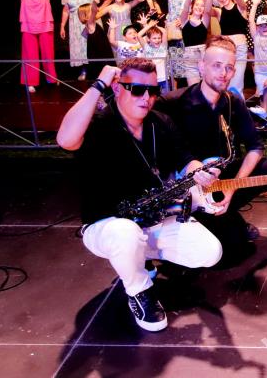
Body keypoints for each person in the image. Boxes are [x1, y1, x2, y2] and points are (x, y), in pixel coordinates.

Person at [56, 58, 224, 332]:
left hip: (152, 219)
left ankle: (137, 259)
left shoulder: (160, 122)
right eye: (136, 89)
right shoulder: (98, 124)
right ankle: (138, 289)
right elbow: (65, 140)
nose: (147, 98)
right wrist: (98, 84)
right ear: (117, 88)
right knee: (126, 234)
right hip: (107, 225)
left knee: (209, 252)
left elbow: (186, 160)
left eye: (153, 90)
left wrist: (200, 171)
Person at [158, 35, 267, 251]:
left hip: (221, 180)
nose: (223, 73)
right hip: (186, 185)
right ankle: (213, 218)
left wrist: (233, 187)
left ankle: (224, 209)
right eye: (216, 65)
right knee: (229, 247)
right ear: (201, 66)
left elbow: (255, 146)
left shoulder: (233, 102)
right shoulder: (173, 102)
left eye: (229, 68)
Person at [6, 0, 58, 93]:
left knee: (48, 54)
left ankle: (51, 79)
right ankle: (30, 82)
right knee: (30, 56)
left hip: (45, 27)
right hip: (28, 28)